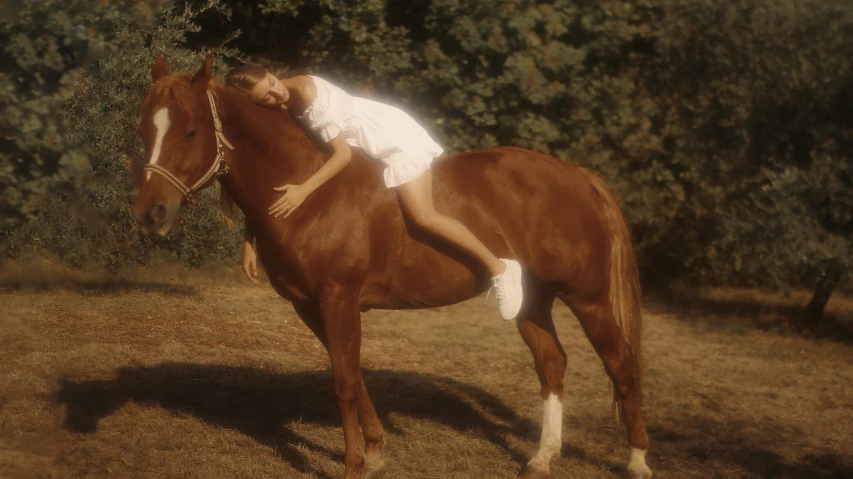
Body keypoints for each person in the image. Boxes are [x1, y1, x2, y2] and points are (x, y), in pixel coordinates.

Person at [225, 65, 524, 320]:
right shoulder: (284, 109)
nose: (276, 94)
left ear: (270, 73)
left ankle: (500, 269)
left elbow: (341, 155)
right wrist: (248, 241)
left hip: (390, 139)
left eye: (272, 84)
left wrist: (303, 190)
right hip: (367, 152)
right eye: (266, 97)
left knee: (424, 216)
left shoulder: (306, 95)